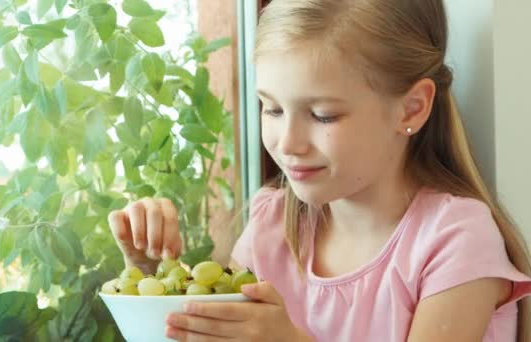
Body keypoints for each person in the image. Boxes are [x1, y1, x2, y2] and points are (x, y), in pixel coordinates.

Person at [108, 0, 531, 340]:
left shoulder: (455, 242)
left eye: (323, 115)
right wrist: (151, 283)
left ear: (412, 107)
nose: (286, 143)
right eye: (270, 108)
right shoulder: (272, 222)